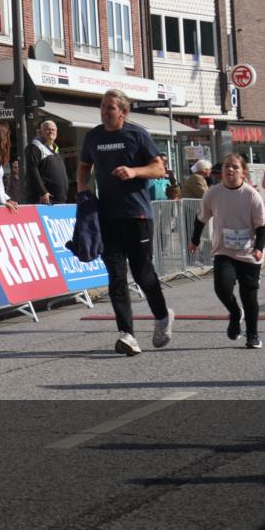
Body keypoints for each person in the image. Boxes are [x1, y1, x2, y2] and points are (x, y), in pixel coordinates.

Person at [77, 89, 174, 356]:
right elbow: (84, 165)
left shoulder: (137, 135)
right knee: (116, 277)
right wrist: (83, 188)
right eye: (102, 106)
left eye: (110, 107)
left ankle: (162, 316)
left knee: (143, 274)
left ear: (123, 112)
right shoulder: (93, 137)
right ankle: (127, 334)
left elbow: (159, 168)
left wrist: (134, 171)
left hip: (137, 216)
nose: (104, 112)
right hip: (107, 218)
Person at [189, 154, 265, 349]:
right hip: (224, 250)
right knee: (222, 288)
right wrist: (194, 240)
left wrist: (259, 248)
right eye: (227, 166)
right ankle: (235, 312)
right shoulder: (213, 193)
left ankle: (253, 335)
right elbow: (201, 218)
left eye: (235, 167)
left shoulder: (251, 194)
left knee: (249, 296)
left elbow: (262, 225)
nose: (230, 170)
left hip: (249, 252)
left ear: (243, 172)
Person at [24, 120, 69, 204]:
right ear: (40, 132)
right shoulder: (35, 146)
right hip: (44, 201)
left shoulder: (56, 149)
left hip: (59, 201)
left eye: (53, 130)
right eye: (48, 129)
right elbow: (32, 171)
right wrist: (43, 192)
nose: (51, 131)